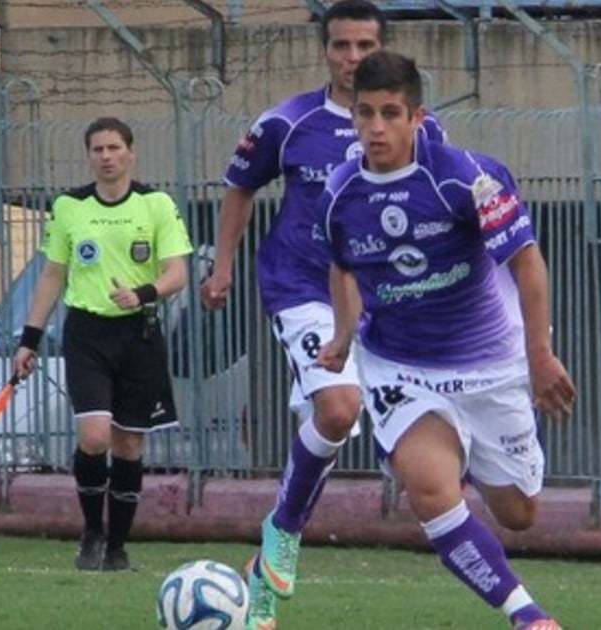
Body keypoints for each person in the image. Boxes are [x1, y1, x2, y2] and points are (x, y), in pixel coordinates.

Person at [198, 2, 444, 627]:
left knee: (407, 453)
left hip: (383, 298)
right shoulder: (288, 122)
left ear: (383, 50)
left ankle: (263, 577)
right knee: (337, 409)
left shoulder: (421, 129)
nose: (352, 57)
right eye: (341, 45)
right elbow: (240, 188)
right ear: (325, 50)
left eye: (365, 45)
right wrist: (222, 266)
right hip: (302, 287)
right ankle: (283, 533)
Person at [317, 50, 574, 630]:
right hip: (402, 368)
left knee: (520, 513)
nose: (376, 127)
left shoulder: (466, 178)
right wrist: (342, 334)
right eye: (364, 113)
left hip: (492, 363)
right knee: (430, 490)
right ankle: (527, 615)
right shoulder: (339, 194)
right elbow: (343, 267)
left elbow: (527, 262)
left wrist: (540, 356)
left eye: (390, 113)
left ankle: (473, 452)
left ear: (417, 117)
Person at [11, 116, 193, 573]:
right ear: (89, 156)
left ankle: (117, 548)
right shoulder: (69, 207)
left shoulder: (156, 204)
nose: (107, 157)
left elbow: (177, 273)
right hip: (87, 334)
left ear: (131, 152)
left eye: (114, 148)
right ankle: (92, 530)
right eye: (98, 149)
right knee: (94, 438)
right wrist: (29, 340)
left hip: (138, 335)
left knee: (128, 445)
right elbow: (53, 275)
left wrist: (143, 293)